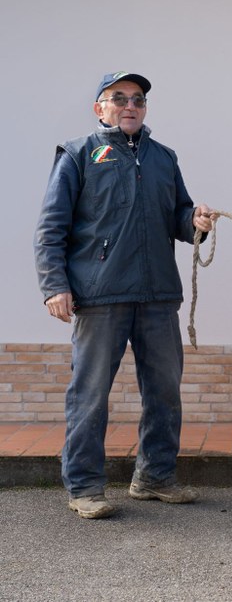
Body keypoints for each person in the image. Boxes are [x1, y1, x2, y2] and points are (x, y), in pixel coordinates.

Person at [34, 71, 216, 519]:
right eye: (119, 98)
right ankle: (85, 487)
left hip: (157, 297)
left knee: (164, 392)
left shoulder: (163, 157)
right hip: (99, 297)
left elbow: (177, 217)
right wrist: (54, 285)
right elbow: (50, 228)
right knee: (90, 395)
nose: (130, 105)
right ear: (100, 107)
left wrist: (196, 223)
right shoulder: (78, 155)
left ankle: (154, 477)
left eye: (138, 99)